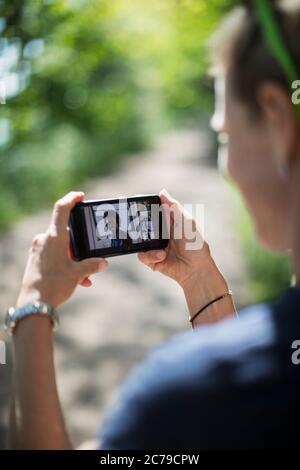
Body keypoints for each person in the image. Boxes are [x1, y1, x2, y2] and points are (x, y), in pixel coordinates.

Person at [6, 0, 300, 449]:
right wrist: (201, 281)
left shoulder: (173, 396)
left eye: (224, 135)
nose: (227, 165)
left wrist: (32, 307)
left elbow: (234, 389)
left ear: (278, 118)